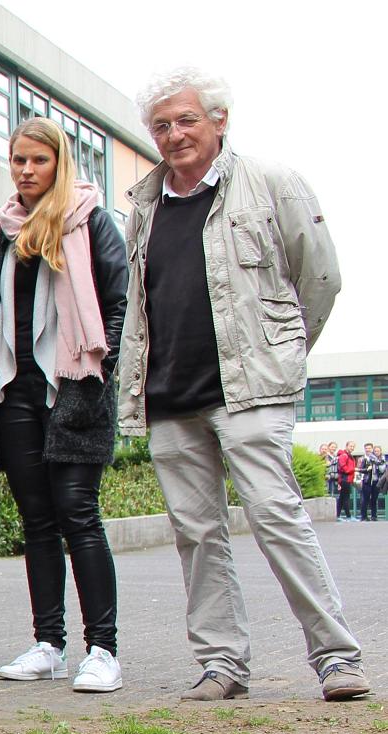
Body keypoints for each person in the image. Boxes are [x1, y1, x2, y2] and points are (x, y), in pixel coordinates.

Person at [120, 68, 366, 702]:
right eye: (162, 125)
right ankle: (222, 664)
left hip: (251, 389)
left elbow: (322, 278)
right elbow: (144, 303)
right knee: (197, 533)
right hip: (171, 394)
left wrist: (283, 351)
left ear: (218, 120)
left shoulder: (271, 183)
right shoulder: (145, 207)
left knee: (278, 516)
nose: (174, 134)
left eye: (186, 120)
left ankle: (337, 656)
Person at [0, 117, 127, 694]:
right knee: (36, 523)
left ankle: (103, 649)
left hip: (74, 389)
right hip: (15, 391)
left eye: (39, 161)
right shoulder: (2, 231)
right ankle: (49, 643)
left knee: (78, 515)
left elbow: (116, 307)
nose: (27, 171)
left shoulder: (91, 222)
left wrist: (94, 382)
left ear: (59, 163)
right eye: (18, 161)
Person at [361, 444, 385, 523]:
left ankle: (374, 516)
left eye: (370, 448)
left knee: (374, 499)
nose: (368, 450)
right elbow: (361, 469)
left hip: (376, 481)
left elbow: (382, 470)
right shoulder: (364, 458)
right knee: (365, 499)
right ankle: (364, 516)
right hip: (367, 481)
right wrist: (367, 469)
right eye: (366, 448)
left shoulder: (378, 459)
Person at [337, 441, 359, 521]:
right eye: (350, 446)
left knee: (342, 498)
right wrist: (353, 469)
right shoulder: (344, 455)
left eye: (353, 446)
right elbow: (343, 467)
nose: (352, 448)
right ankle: (348, 516)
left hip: (347, 479)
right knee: (345, 498)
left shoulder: (348, 456)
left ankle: (339, 515)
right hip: (344, 479)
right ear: (346, 446)